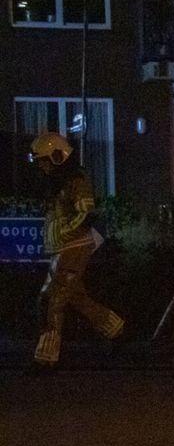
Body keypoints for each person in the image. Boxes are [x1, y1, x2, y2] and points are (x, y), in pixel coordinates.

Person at [27, 132, 124, 374]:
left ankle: (46, 359)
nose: (41, 166)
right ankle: (117, 330)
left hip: (72, 248)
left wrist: (66, 233)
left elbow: (86, 214)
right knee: (75, 298)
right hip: (65, 248)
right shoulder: (59, 183)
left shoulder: (76, 181)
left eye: (44, 160)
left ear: (58, 157)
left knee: (50, 299)